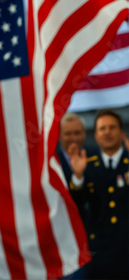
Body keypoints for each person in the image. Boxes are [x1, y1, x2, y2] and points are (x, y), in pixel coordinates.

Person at [69, 109, 129, 279]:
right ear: (95, 135)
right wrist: (78, 177)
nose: (107, 132)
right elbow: (78, 205)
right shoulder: (86, 165)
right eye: (102, 128)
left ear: (121, 133)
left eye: (112, 127)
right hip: (98, 251)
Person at [57, 112, 89, 186]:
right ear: (59, 135)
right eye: (68, 134)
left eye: (77, 133)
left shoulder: (96, 156)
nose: (73, 138)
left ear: (84, 133)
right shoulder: (52, 160)